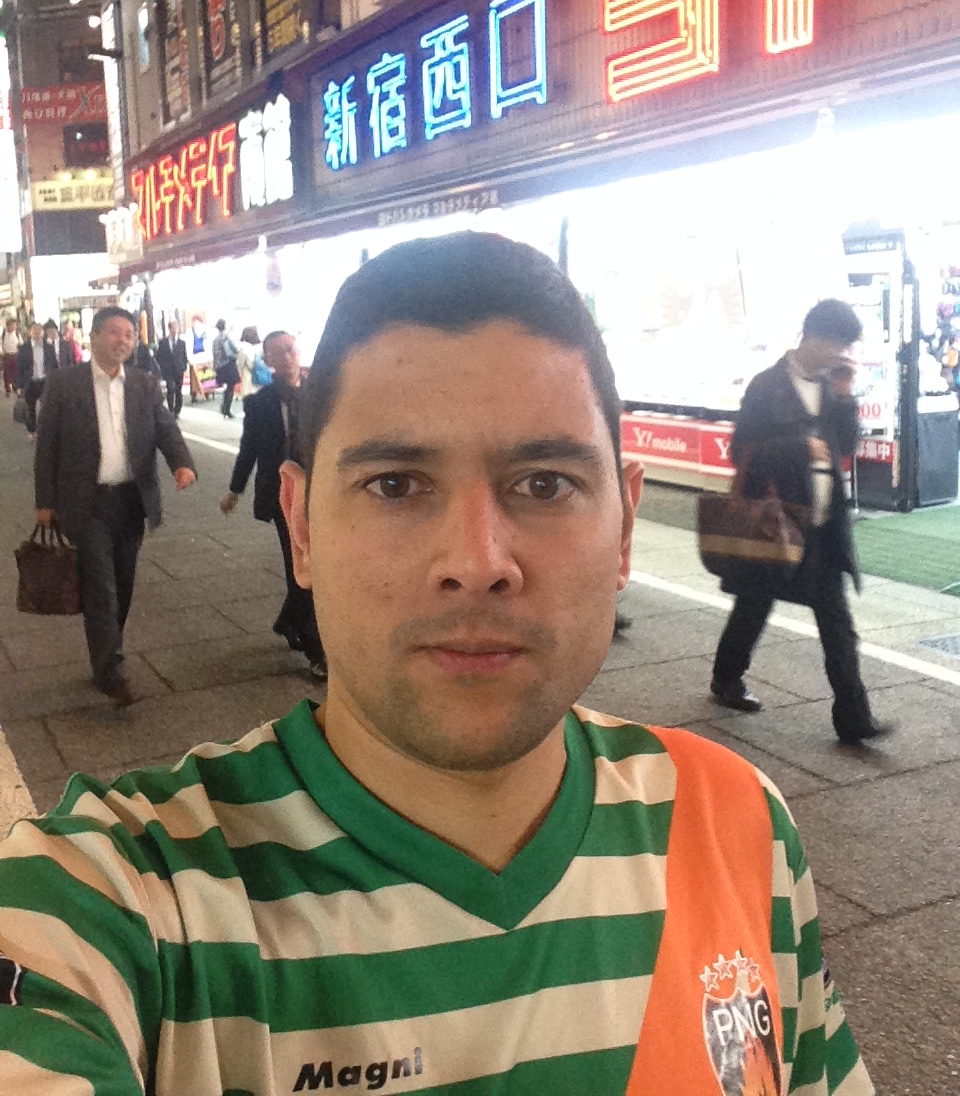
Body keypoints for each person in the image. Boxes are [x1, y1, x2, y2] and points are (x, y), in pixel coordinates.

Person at [0, 237, 872, 1094]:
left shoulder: (736, 825)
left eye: (544, 484)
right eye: (395, 484)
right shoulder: (116, 899)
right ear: (301, 527)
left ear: (624, 528)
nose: (478, 561)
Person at [710, 298, 891, 746]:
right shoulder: (766, 386)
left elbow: (845, 445)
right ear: (810, 336)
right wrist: (799, 448)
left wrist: (846, 396)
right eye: (836, 344)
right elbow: (741, 451)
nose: (841, 353)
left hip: (825, 526)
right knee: (754, 605)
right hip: (777, 522)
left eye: (847, 346)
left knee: (837, 621)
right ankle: (726, 678)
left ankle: (854, 718)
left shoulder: (832, 387)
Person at [33, 307, 197, 708]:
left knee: (122, 585)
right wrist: (45, 501)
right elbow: (47, 445)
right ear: (93, 337)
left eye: (129, 334)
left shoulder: (144, 383)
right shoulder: (64, 383)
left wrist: (182, 463)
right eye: (113, 332)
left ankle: (105, 653)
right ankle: (112, 672)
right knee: (102, 587)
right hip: (85, 502)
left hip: (130, 500)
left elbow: (165, 428)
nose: (122, 340)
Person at [221, 330, 325, 677]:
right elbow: (249, 449)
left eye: (290, 349)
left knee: (318, 565)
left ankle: (287, 620)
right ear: (267, 361)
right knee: (302, 564)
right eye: (278, 353)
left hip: (322, 491)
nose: (286, 357)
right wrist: (235, 490)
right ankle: (316, 650)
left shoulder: (319, 395)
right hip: (283, 496)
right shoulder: (260, 403)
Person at [16, 320, 59, 434]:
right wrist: (19, 386)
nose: (37, 335)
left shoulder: (49, 348)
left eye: (39, 332)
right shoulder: (24, 349)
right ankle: (32, 431)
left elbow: (54, 365)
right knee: (30, 408)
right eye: (35, 332)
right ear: (30, 333)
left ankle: (45, 430)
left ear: (43, 333)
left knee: (47, 407)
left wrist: (55, 381)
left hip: (45, 381)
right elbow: (19, 368)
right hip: (30, 382)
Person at [155, 318, 189, 415]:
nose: (174, 330)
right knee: (170, 388)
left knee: (178, 390)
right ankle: (170, 410)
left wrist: (184, 366)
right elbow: (159, 356)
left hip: (179, 369)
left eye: (176, 328)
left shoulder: (182, 343)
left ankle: (177, 409)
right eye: (173, 328)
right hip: (168, 370)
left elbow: (184, 356)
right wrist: (163, 367)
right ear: (169, 329)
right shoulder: (163, 342)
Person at [212, 317, 240, 418]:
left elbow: (214, 354)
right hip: (229, 364)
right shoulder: (227, 337)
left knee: (226, 386)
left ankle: (224, 407)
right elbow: (236, 349)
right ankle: (227, 409)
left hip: (220, 366)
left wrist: (215, 367)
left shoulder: (215, 340)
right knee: (231, 386)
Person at [235, 324, 264, 409]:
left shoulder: (244, 346)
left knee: (249, 401)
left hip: (248, 376)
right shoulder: (260, 346)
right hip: (261, 376)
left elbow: (240, 364)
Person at [2, 316, 21, 396]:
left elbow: (20, 343)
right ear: (8, 326)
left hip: (15, 355)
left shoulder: (17, 333)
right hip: (7, 356)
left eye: (15, 325)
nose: (15, 327)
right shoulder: (3, 334)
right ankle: (7, 390)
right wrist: (2, 352)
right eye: (13, 325)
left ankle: (15, 388)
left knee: (16, 373)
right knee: (7, 374)